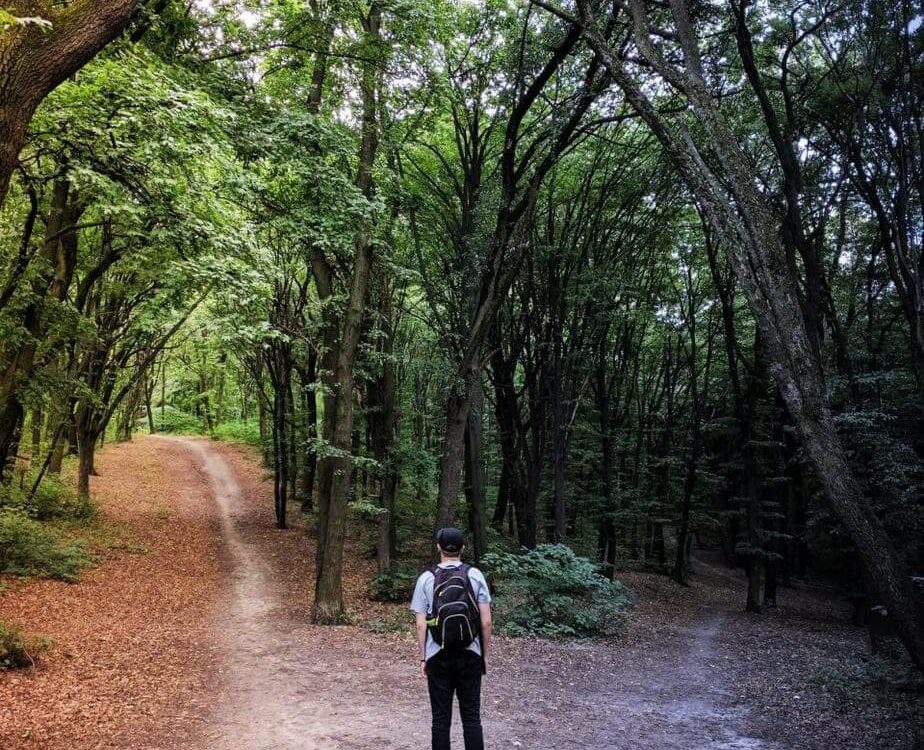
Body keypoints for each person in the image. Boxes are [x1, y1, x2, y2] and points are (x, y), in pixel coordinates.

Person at [410, 527, 493, 750]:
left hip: (437, 654)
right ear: (462, 548)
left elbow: (420, 623)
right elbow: (485, 621)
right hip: (470, 653)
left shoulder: (426, 578)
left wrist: (423, 658)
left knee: (440, 719)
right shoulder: (475, 575)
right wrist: (484, 655)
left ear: (438, 547)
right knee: (472, 718)